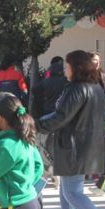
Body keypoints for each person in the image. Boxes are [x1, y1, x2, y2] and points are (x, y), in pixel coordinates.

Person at [37, 50, 105, 209]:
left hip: (73, 147)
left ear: (77, 67)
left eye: (68, 66)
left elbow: (61, 117)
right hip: (87, 146)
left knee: (72, 193)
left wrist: (35, 124)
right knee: (67, 191)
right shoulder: (95, 88)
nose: (65, 70)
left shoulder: (76, 89)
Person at [31, 56, 67, 185]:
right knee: (58, 146)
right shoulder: (65, 81)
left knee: (44, 145)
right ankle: (57, 173)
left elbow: (34, 90)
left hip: (47, 117)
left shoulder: (47, 81)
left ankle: (47, 171)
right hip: (61, 118)